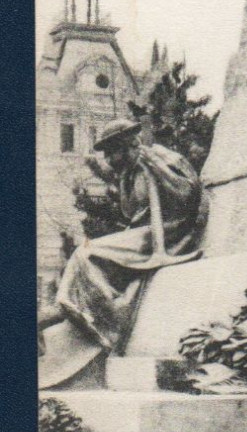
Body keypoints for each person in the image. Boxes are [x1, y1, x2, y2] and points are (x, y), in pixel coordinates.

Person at [39, 119, 206, 388]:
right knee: (87, 253)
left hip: (168, 233)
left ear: (127, 146)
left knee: (86, 255)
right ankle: (75, 308)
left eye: (110, 152)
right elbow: (132, 214)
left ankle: (105, 317)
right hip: (143, 233)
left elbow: (189, 194)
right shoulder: (128, 172)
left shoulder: (161, 157)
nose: (107, 159)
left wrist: (154, 166)